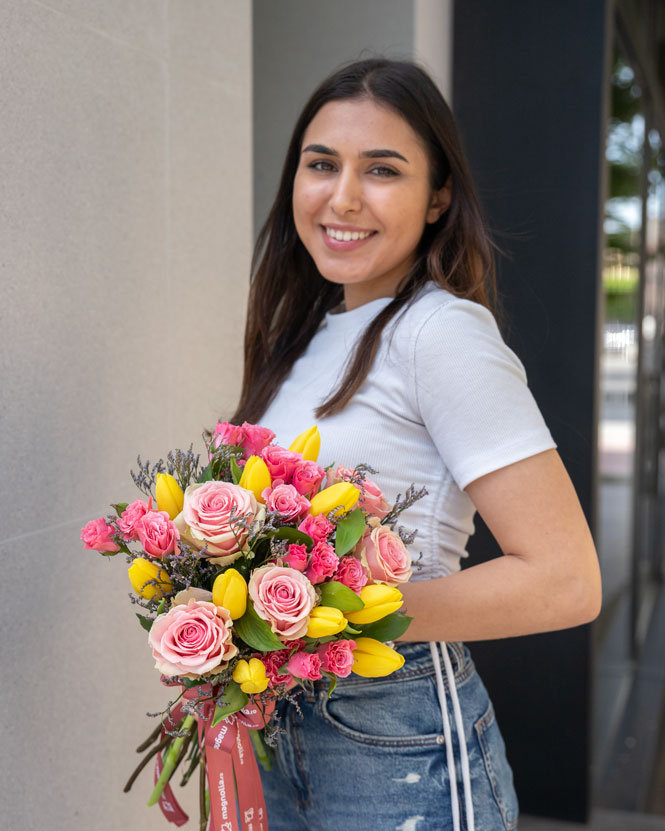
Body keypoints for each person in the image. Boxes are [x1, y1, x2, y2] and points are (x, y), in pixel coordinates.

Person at [229, 56, 602, 831]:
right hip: (285, 731)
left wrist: (336, 619)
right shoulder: (303, 338)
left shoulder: (439, 332)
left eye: (382, 171)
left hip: (398, 748)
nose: (343, 196)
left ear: (437, 198)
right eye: (321, 163)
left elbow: (566, 579)